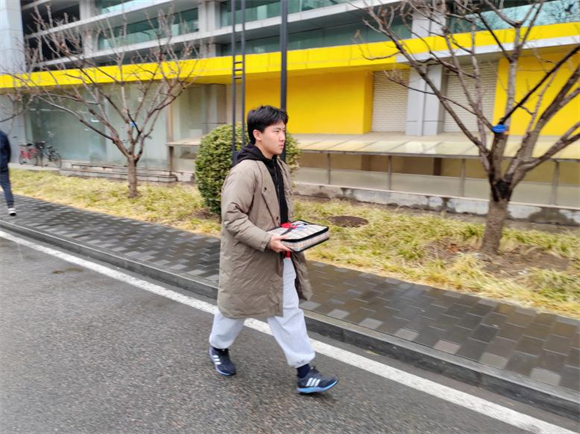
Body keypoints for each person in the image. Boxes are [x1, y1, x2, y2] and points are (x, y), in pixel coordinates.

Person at [208, 105, 338, 394]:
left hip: (280, 251)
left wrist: (294, 232)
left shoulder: (279, 165)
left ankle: (305, 372)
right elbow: (231, 217)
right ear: (258, 134)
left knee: (287, 310)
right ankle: (218, 347)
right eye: (276, 131)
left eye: (284, 130)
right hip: (249, 256)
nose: (283, 137)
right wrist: (267, 240)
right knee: (234, 312)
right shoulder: (244, 171)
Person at [0, 129, 16, 216]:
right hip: (2, 165)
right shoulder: (3, 135)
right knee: (6, 187)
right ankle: (11, 208)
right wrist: (7, 160)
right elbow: (8, 150)